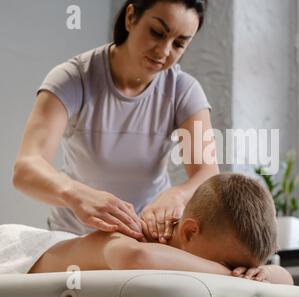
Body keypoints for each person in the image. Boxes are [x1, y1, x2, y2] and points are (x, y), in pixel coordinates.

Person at [12, 0, 218, 244]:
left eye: (179, 44)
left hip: (145, 238)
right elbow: (26, 168)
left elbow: (207, 173)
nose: (164, 51)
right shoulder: (73, 78)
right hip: (73, 237)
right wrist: (76, 194)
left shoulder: (184, 90)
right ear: (130, 17)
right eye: (157, 33)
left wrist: (178, 195)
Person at [14, 174, 292, 285]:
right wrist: (231, 275)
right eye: (227, 265)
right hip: (12, 251)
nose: (238, 276)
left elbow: (285, 281)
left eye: (245, 270)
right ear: (190, 232)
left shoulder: (221, 250)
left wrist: (265, 273)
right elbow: (138, 260)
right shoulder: (129, 237)